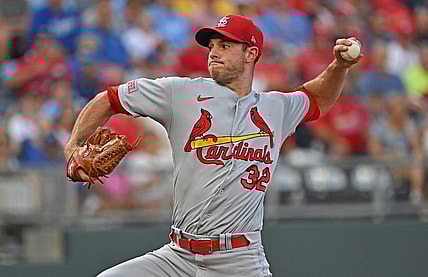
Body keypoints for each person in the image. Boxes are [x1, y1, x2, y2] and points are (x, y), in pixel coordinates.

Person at [64, 14, 361, 277]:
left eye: (225, 46)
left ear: (251, 53)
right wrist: (73, 146)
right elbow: (110, 99)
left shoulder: (276, 108)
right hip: (177, 256)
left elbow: (318, 98)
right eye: (211, 46)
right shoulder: (180, 93)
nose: (213, 53)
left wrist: (340, 65)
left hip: (239, 260)